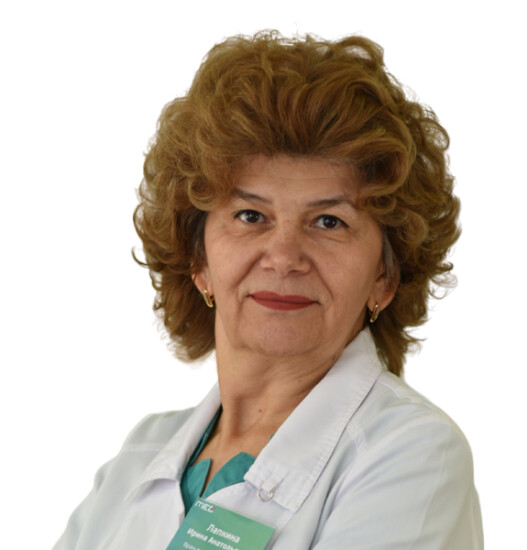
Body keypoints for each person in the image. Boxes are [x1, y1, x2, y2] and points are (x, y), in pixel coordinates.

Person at [54, 31, 483, 549]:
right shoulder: (138, 457)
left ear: (385, 276)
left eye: (329, 221)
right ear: (198, 260)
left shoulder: (412, 455)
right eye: (250, 215)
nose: (284, 256)